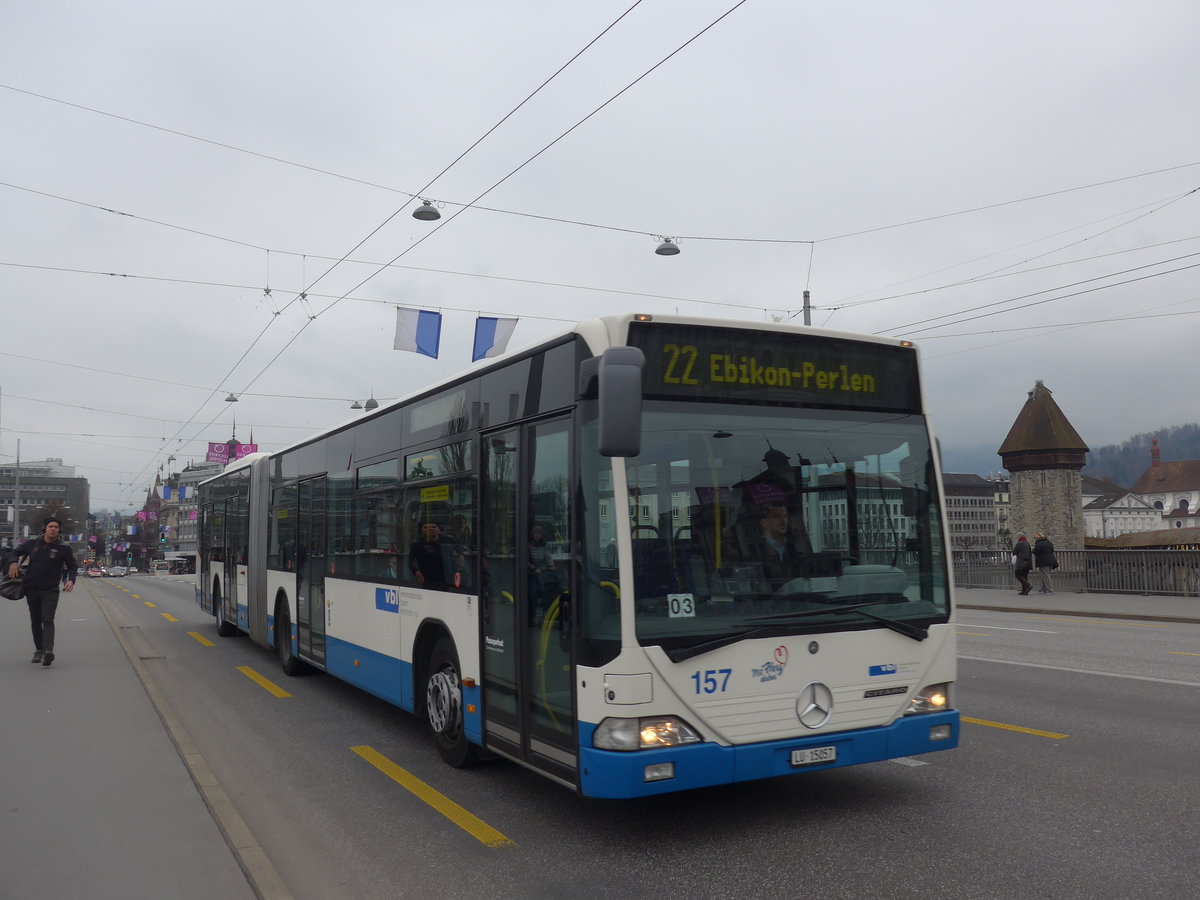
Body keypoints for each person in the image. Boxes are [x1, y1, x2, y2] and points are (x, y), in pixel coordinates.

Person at [4, 516, 78, 667]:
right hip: (31, 588)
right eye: (50, 526)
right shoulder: (33, 543)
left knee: (48, 619)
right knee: (36, 621)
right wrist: (13, 562)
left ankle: (49, 651)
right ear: (45, 528)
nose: (53, 529)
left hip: (50, 589)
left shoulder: (64, 547)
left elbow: (72, 566)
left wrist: (71, 580)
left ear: (59, 530)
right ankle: (39, 650)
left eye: (56, 527)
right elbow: (13, 553)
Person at [755, 501, 808, 588]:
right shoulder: (757, 549)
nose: (783, 521)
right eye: (777, 517)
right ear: (764, 523)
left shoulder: (794, 547)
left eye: (785, 516)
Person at [407, 521, 464, 591]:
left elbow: (459, 549)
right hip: (427, 578)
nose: (430, 529)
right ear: (421, 530)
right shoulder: (416, 543)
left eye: (434, 527)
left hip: (446, 577)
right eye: (426, 527)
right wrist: (415, 571)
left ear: (439, 529)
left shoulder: (448, 539)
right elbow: (410, 562)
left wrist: (461, 557)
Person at [528, 525, 558, 622]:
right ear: (532, 535)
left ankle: (547, 616)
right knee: (533, 598)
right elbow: (525, 560)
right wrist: (534, 568)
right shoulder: (528, 545)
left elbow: (547, 556)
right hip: (531, 575)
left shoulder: (544, 544)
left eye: (539, 534)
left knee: (547, 594)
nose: (537, 536)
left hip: (542, 572)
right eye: (536, 534)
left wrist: (551, 565)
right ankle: (531, 619)